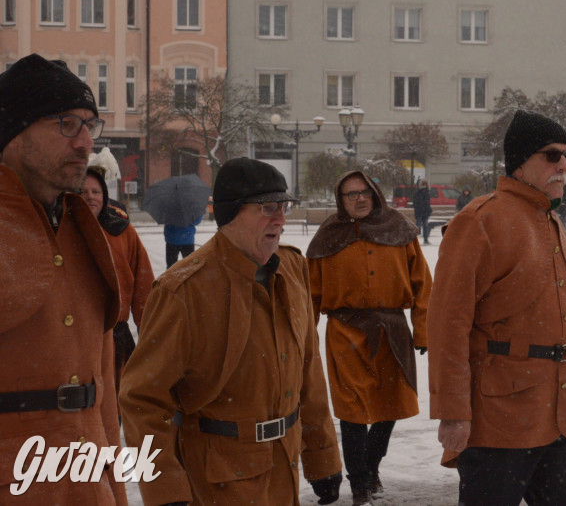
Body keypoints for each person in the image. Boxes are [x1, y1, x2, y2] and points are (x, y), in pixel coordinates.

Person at [119, 157, 343, 505]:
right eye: (268, 207)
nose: (281, 218)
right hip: (216, 479)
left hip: (285, 469)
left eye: (283, 206)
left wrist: (323, 456)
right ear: (231, 214)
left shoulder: (293, 268)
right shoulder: (183, 290)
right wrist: (165, 490)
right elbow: (142, 400)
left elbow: (309, 370)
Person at [428, 109, 566, 506]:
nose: (564, 164)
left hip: (562, 415)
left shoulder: (549, 219)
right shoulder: (480, 221)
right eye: (552, 155)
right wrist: (453, 410)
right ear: (520, 162)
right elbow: (448, 324)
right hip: (499, 419)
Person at [0, 54, 128, 504]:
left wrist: (114, 486)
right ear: (14, 132)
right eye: (66, 123)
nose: (85, 143)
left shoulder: (82, 228)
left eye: (90, 125)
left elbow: (102, 388)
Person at [307, 170, 432, 505]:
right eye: (351, 194)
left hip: (392, 329)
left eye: (364, 192)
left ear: (375, 194)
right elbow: (310, 295)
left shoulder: (400, 231)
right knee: (352, 410)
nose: (359, 199)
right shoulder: (327, 237)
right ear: (340, 199)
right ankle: (359, 482)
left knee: (390, 405)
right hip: (345, 332)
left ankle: (371, 465)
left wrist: (423, 330)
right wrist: (302, 340)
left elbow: (423, 285)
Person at [80, 166, 155, 394]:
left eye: (96, 191)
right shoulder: (60, 230)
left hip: (114, 339)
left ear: (104, 196)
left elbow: (144, 286)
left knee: (113, 407)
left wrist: (149, 334)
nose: (91, 197)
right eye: (84, 192)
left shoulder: (123, 231)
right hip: (76, 338)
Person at [412, 179, 433, 245]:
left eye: (425, 185)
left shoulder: (427, 193)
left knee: (426, 225)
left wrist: (429, 210)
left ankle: (425, 239)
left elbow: (427, 203)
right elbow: (415, 203)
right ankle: (414, 239)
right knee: (417, 226)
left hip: (425, 212)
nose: (424, 186)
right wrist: (418, 210)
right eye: (423, 185)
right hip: (419, 212)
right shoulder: (417, 193)